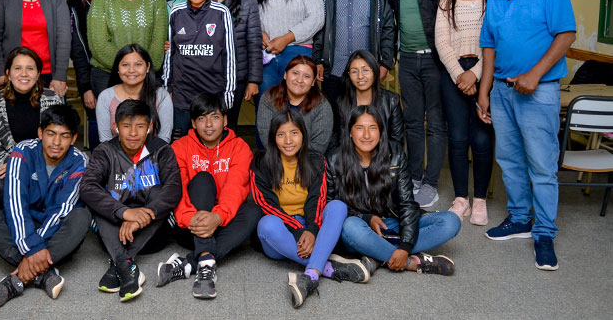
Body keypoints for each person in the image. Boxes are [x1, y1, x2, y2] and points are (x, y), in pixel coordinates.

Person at [478, 0, 576, 271]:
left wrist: (534, 74)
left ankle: (545, 233)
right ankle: (520, 219)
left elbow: (566, 34)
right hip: (503, 92)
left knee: (542, 164)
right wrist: (484, 91)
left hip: (539, 90)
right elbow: (488, 46)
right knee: (509, 160)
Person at [0, 104, 91, 309]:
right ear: (40, 133)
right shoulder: (23, 152)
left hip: (55, 229)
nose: (56, 142)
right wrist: (33, 247)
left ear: (73, 139)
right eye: (50, 134)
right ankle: (43, 273)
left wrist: (34, 248)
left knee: (81, 216)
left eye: (64, 136)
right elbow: (15, 203)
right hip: (23, 225)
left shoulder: (79, 161)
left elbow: (63, 210)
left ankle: (20, 277)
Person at [250, 109, 366, 309]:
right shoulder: (260, 162)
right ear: (272, 138)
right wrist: (299, 230)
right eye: (281, 134)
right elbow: (265, 203)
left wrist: (312, 230)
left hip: (311, 224)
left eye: (294, 133)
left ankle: (312, 274)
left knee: (337, 206)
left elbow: (318, 199)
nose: (288, 140)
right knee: (266, 223)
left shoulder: (315, 160)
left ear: (303, 134)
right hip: (281, 234)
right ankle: (328, 267)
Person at [327, 105, 461, 277]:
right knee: (349, 228)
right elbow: (330, 207)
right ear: (350, 132)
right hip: (359, 225)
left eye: (373, 128)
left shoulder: (395, 153)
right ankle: (410, 263)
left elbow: (407, 203)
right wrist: (367, 218)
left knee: (451, 221)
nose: (366, 135)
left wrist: (405, 246)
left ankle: (377, 253)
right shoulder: (333, 159)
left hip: (393, 222)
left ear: (381, 131)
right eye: (359, 128)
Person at [156, 93, 263, 299]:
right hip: (190, 226)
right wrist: (191, 218)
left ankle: (192, 263)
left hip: (223, 223)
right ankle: (206, 260)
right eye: (202, 118)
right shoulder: (179, 147)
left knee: (254, 211)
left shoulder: (239, 147)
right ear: (194, 123)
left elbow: (236, 189)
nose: (208, 124)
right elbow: (176, 188)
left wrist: (218, 217)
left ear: (225, 120)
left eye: (215, 117)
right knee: (204, 179)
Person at [79, 100, 182, 302]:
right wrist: (123, 212)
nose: (133, 133)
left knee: (160, 192)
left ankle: (119, 262)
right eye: (126, 126)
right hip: (113, 232)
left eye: (140, 126)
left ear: (150, 127)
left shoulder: (161, 150)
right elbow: (87, 187)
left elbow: (174, 189)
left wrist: (141, 217)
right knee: (100, 197)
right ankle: (126, 265)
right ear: (116, 127)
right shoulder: (105, 151)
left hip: (153, 235)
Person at [385, 0, 449, 208]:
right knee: (412, 121)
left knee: (435, 123)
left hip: (437, 58)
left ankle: (431, 183)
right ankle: (413, 177)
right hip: (407, 59)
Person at [435, 0, 496, 225]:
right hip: (454, 73)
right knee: (457, 138)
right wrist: (460, 74)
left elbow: (497, 43)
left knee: (482, 139)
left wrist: (476, 74)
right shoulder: (447, 0)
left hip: (486, 73)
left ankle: (480, 199)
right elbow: (442, 42)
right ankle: (461, 199)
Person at [313, 0, 395, 134]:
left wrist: (385, 64)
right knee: (332, 123)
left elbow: (388, 29)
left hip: (365, 73)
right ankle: (334, 163)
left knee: (362, 123)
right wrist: (318, 59)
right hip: (334, 68)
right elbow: (319, 27)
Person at [243, 0, 324, 104]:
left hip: (298, 52)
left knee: (300, 108)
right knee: (267, 106)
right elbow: (243, 15)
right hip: (263, 54)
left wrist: (287, 38)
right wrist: (259, 33)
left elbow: (317, 17)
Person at [0, 47, 63, 207]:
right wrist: (13, 165)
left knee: (58, 182)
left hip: (45, 160)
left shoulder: (52, 100)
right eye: (17, 68)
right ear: (8, 74)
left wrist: (25, 165)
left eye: (30, 69)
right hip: (3, 161)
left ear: (38, 73)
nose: (24, 74)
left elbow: (59, 142)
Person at [163, 0, 236, 140]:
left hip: (211, 92)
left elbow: (229, 55)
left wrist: (228, 92)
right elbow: (170, 54)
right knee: (180, 143)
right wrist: (167, 87)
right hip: (182, 93)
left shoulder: (221, 12)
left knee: (209, 143)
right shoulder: (176, 12)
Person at [88, 0, 169, 92]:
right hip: (108, 76)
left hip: (147, 76)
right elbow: (98, 44)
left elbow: (158, 39)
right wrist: (129, 68)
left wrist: (140, 68)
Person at [211, 0, 263, 130]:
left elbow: (254, 43)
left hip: (236, 77)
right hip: (205, 75)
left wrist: (253, 81)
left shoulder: (248, 2)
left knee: (229, 123)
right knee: (207, 122)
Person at [68, 0, 111, 149]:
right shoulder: (72, 5)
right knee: (97, 119)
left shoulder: (112, 0)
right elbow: (77, 50)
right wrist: (85, 87)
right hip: (92, 76)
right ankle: (98, 165)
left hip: (117, 72)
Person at [256, 55, 333, 153]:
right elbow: (266, 139)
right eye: (295, 73)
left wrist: (291, 154)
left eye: (307, 76)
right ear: (285, 75)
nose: (300, 80)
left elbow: (318, 146)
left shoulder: (322, 105)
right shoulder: (269, 98)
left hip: (310, 162)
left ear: (313, 82)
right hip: (275, 159)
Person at [96, 44, 173, 142]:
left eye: (138, 64)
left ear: (148, 67)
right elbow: (105, 140)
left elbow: (164, 139)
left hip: (154, 154)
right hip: (115, 155)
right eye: (125, 65)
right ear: (118, 68)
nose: (131, 70)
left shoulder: (162, 96)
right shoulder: (106, 97)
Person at [337, 49, 404, 153]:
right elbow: (342, 141)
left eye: (365, 70)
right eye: (354, 71)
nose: (360, 76)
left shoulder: (391, 101)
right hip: (351, 161)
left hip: (384, 159)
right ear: (349, 75)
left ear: (375, 72)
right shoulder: (342, 102)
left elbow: (396, 142)